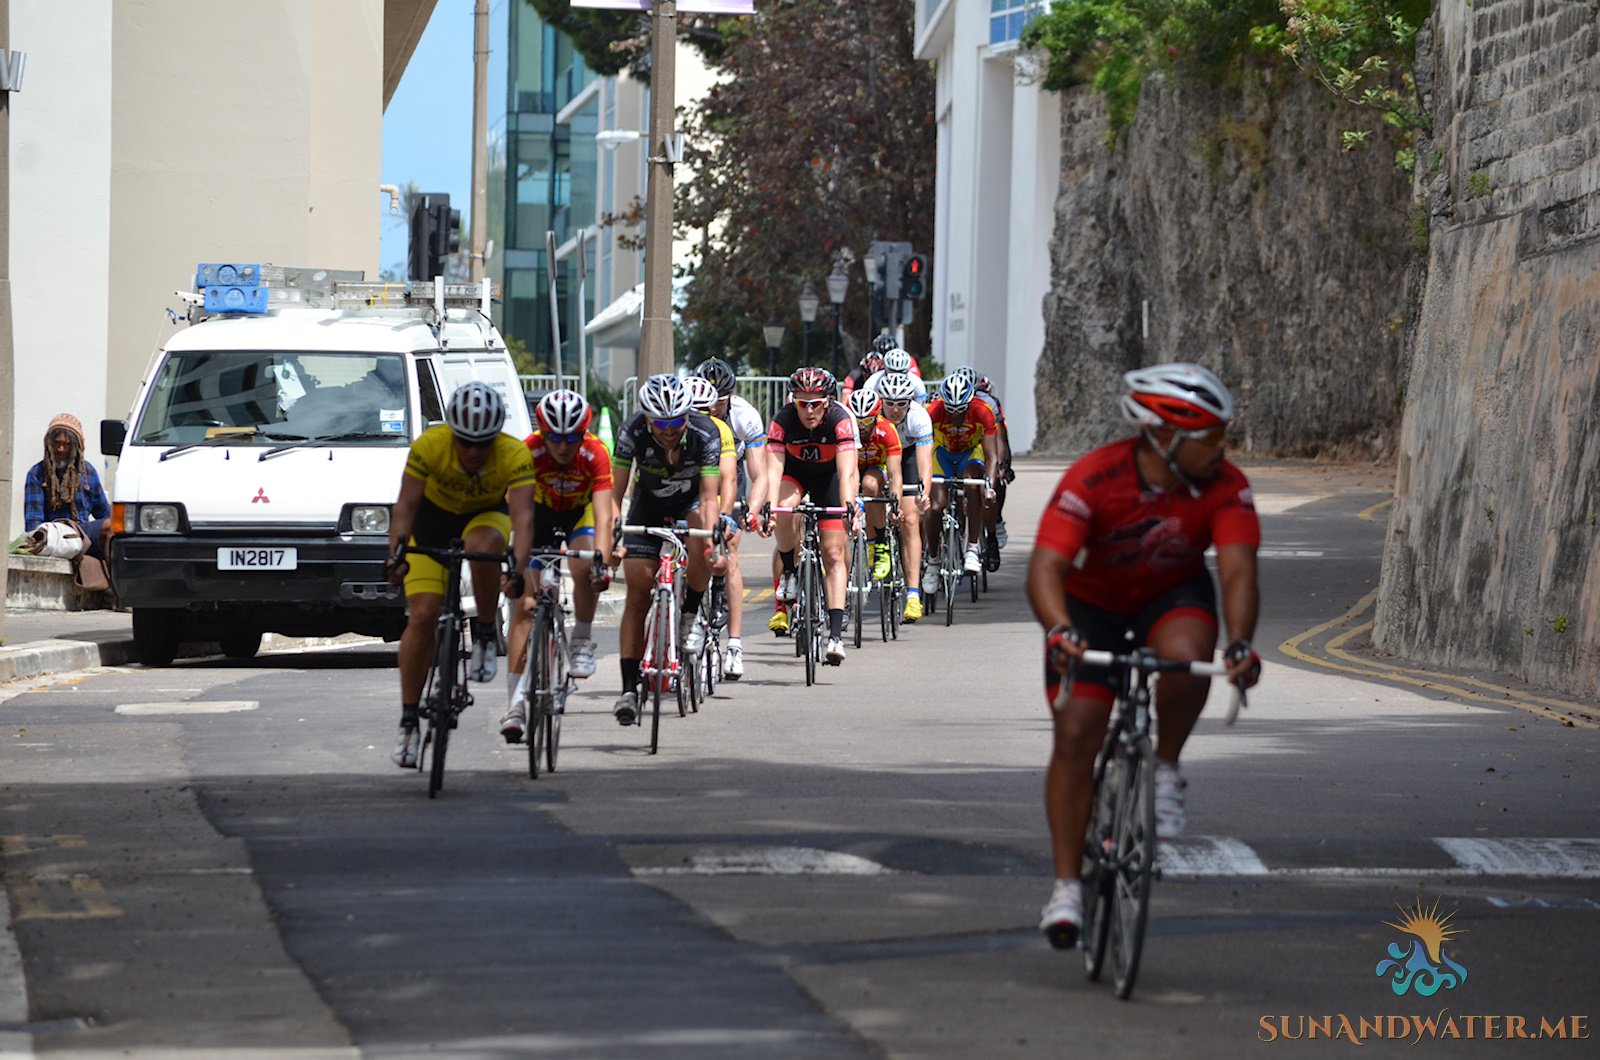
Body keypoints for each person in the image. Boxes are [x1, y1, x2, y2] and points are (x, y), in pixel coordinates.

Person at [1025, 362, 1262, 948]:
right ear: (1164, 435)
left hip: (1170, 595)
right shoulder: (1094, 477)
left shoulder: (1226, 484)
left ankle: (1167, 766)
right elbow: (1045, 569)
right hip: (1090, 608)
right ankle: (1067, 889)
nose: (1222, 447)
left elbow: (1237, 571)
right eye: (1209, 436)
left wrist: (1239, 643)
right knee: (1077, 734)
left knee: (1187, 654)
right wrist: (1058, 631)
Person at [385, 381, 534, 768]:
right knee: (422, 616)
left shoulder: (513, 453)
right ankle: (408, 721)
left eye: (482, 444)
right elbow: (404, 506)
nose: (472, 452)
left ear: (495, 437)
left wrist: (517, 569)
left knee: (483, 545)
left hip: (484, 516)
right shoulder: (430, 446)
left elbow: (523, 518)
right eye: (464, 442)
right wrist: (396, 556)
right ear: (452, 431)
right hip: (430, 522)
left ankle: (484, 630)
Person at [499, 389, 616, 742]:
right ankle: (516, 704)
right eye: (554, 437)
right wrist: (515, 568)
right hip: (538, 516)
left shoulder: (595, 452)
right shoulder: (527, 452)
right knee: (525, 605)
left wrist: (603, 563)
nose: (563, 446)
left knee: (585, 566)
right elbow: (516, 516)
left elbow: (604, 516)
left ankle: (581, 637)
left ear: (584, 433)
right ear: (542, 433)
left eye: (571, 437)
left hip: (578, 515)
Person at [609, 374, 725, 726]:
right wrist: (611, 536)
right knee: (637, 593)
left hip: (690, 501)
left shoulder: (706, 433)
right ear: (647, 418)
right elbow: (614, 495)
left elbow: (708, 497)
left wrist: (713, 543)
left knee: (700, 536)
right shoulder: (632, 432)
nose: (670, 429)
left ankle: (690, 612)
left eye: (677, 421)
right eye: (662, 423)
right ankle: (629, 688)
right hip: (648, 505)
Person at [762, 366, 859, 664]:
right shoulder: (783, 420)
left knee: (832, 552)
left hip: (830, 478)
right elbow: (774, 470)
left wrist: (849, 507)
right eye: (802, 402)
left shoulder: (840, 420)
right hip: (795, 473)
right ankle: (790, 571)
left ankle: (835, 636)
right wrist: (769, 506)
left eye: (815, 403)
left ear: (827, 401)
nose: (808, 410)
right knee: (783, 506)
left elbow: (847, 472)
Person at [695, 357, 772, 680]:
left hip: (731, 475)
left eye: (720, 400)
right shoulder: (693, 409)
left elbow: (759, 473)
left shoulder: (744, 417)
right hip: (698, 474)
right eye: (707, 401)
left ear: (730, 396)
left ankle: (735, 646)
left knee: (731, 545)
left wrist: (752, 510)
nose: (712, 406)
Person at [924, 371, 999, 578]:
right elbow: (919, 447)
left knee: (972, 483)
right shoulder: (932, 411)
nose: (955, 416)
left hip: (970, 453)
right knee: (936, 504)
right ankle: (932, 561)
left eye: (961, 411)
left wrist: (990, 487)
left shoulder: (983, 411)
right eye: (951, 410)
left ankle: (972, 548)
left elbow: (992, 456)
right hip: (942, 454)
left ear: (970, 402)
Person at [874, 372, 933, 621]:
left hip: (908, 456)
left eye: (901, 403)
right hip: (878, 455)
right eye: (890, 403)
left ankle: (912, 594)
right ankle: (877, 544)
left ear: (910, 402)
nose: (895, 409)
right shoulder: (872, 417)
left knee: (910, 519)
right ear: (881, 402)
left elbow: (925, 464)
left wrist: (924, 494)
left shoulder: (919, 418)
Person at [24, 414, 111, 560]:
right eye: (56, 443)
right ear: (48, 444)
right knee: (109, 526)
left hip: (82, 535)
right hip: (53, 538)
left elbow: (103, 513)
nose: (61, 448)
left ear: (77, 447)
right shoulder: (37, 473)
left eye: (67, 444)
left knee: (115, 528)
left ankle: (114, 581)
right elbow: (33, 525)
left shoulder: (88, 472)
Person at [846, 388, 904, 581]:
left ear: (876, 416)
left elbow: (896, 473)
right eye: (857, 421)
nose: (862, 427)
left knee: (870, 484)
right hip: (851, 465)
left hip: (877, 467)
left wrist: (896, 505)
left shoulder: (886, 430)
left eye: (867, 421)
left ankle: (880, 545)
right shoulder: (844, 429)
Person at [973, 374, 1013, 565]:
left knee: (997, 478)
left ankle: (995, 521)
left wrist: (1004, 465)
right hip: (964, 446)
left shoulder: (989, 404)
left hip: (985, 441)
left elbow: (1001, 439)